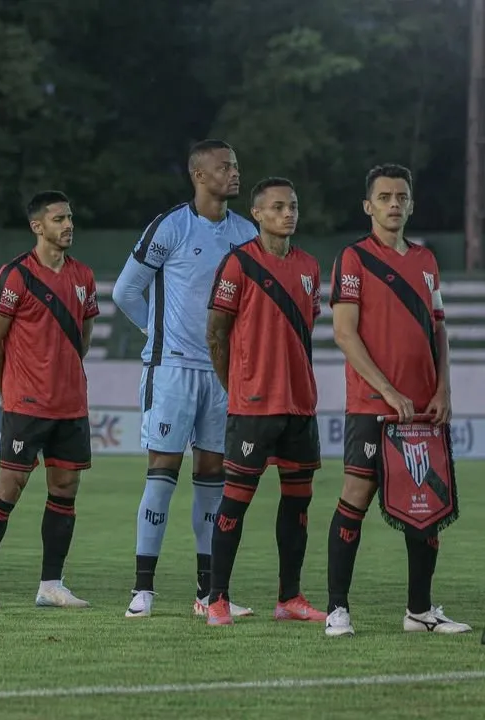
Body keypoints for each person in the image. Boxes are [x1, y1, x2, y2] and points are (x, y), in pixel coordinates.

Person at [111, 139, 257, 618]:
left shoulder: (246, 233)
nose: (234, 173)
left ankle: (208, 595)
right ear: (199, 175)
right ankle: (143, 589)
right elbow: (126, 291)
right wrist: (159, 335)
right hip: (171, 369)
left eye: (235, 166)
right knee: (162, 473)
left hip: (221, 374)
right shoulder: (171, 226)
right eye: (224, 166)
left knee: (214, 477)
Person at [324, 164, 471, 636]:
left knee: (426, 503)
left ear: (410, 204)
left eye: (400, 197)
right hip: (373, 404)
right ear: (368, 206)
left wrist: (442, 387)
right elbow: (344, 334)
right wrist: (388, 389)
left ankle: (419, 611)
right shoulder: (353, 259)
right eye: (384, 196)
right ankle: (337, 610)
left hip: (424, 410)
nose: (393, 204)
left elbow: (439, 328)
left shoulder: (426, 261)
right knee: (356, 497)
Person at [0, 191, 97, 610]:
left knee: (65, 488)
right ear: (37, 226)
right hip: (26, 406)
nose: (68, 225)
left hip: (71, 405)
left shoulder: (83, 277)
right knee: (9, 486)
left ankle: (50, 584)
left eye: (70, 217)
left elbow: (84, 338)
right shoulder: (14, 276)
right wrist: (12, 392)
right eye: (59, 219)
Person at [203, 178, 326, 625]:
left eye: (292, 205)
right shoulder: (237, 264)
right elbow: (216, 331)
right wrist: (234, 386)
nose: (287, 213)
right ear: (257, 213)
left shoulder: (311, 266)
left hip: (299, 405)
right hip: (253, 405)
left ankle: (289, 598)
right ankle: (216, 598)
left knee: (298, 503)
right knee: (235, 500)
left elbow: (306, 323)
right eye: (277, 207)